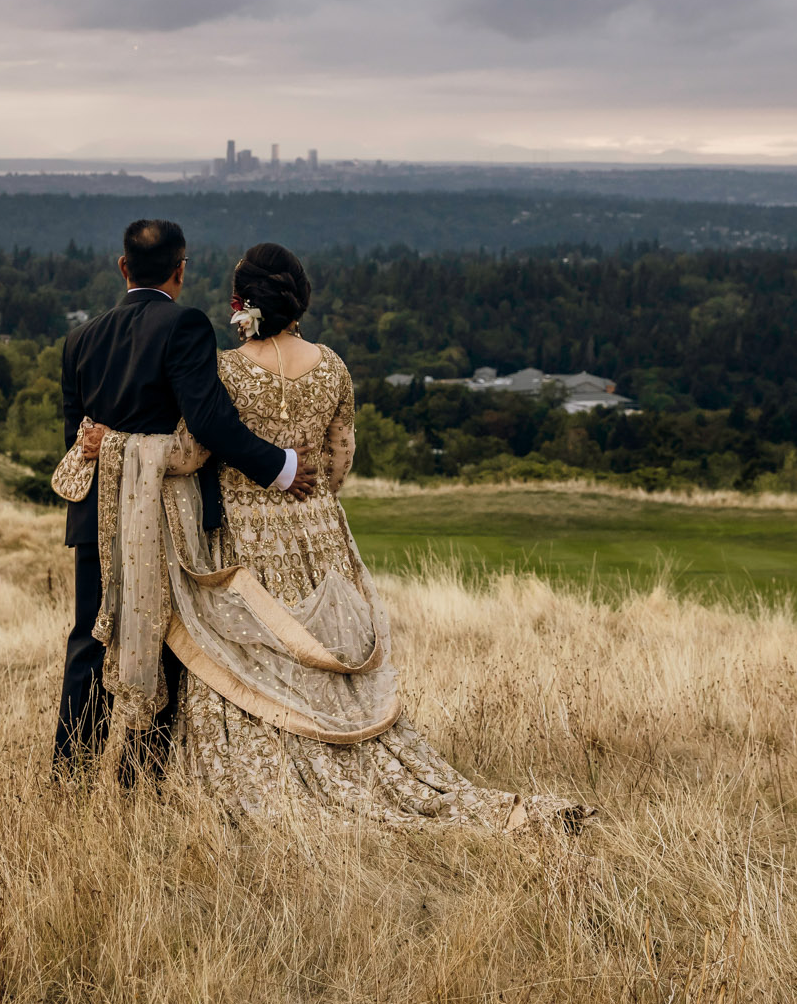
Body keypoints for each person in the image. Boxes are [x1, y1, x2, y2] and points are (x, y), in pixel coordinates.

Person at [59, 242, 591, 832]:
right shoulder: (332, 365)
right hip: (319, 530)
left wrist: (111, 444)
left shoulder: (227, 369)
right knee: (320, 642)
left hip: (247, 531)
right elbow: (339, 461)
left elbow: (187, 453)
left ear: (242, 305)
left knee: (256, 647)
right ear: (297, 299)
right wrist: (308, 490)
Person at [55, 220, 317, 781]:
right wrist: (281, 467)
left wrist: (115, 449)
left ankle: (70, 776)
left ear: (124, 267)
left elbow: (76, 441)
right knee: (167, 639)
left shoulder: (78, 340)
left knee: (90, 640)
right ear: (180, 269)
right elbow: (210, 423)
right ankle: (141, 775)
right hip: (159, 520)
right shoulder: (185, 327)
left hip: (95, 517)